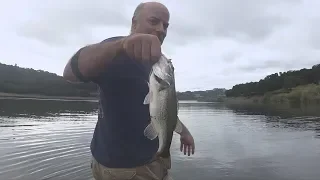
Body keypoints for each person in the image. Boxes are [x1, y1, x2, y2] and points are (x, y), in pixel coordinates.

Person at [62, 2, 195, 180]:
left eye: (165, 26)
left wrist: (183, 131)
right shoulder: (113, 50)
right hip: (126, 170)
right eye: (154, 21)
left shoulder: (159, 65)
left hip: (153, 161)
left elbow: (164, 109)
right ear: (134, 23)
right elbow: (70, 74)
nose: (161, 29)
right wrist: (122, 45)